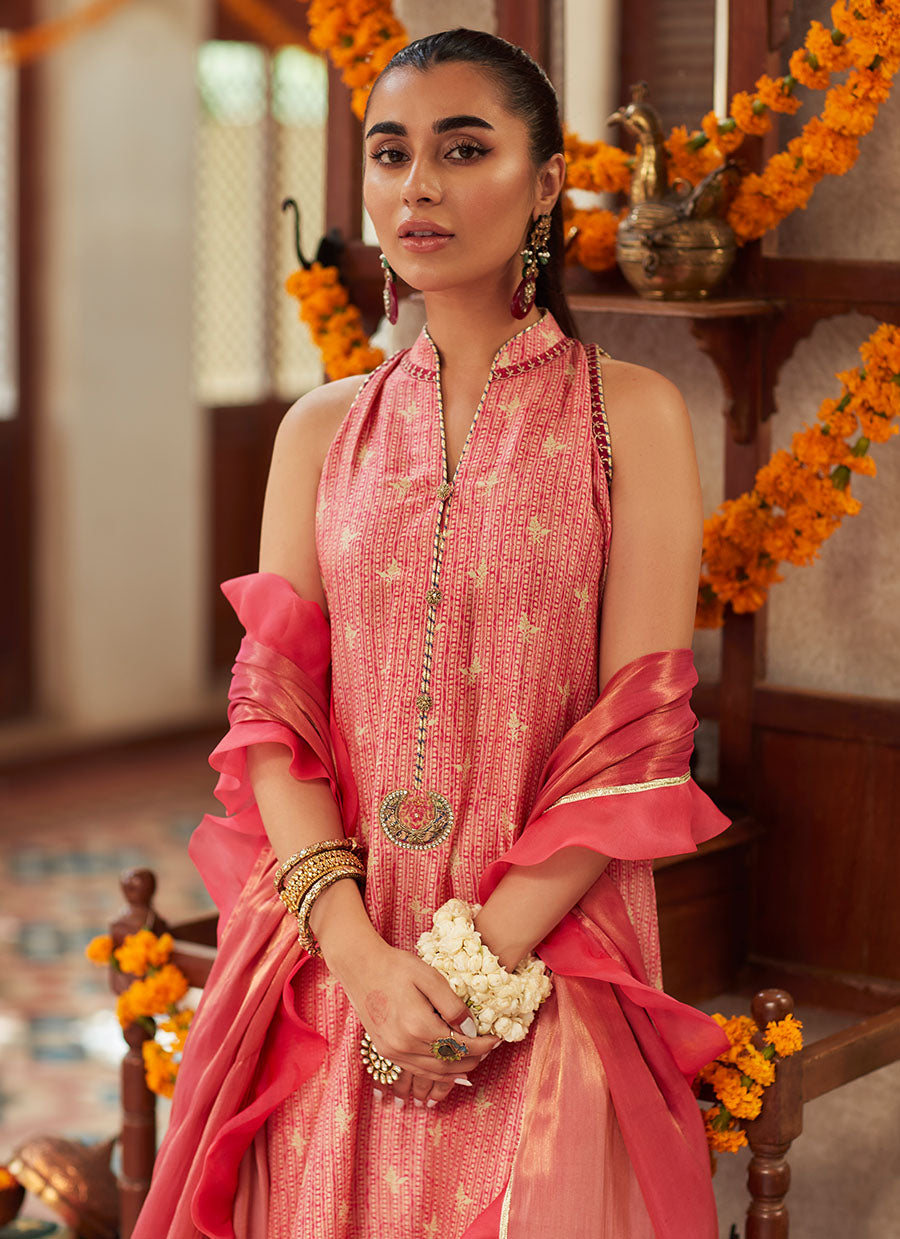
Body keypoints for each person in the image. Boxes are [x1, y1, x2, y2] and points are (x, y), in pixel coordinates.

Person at [133, 27, 732, 1239]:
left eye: (466, 149)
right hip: (326, 955)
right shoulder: (319, 431)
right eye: (393, 152)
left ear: (549, 182)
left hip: (543, 952)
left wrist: (463, 977)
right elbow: (274, 714)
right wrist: (357, 957)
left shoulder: (636, 419)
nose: (421, 185)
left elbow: (637, 741)